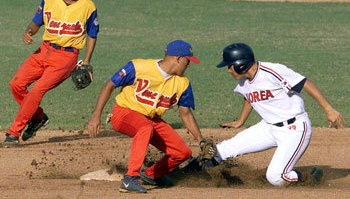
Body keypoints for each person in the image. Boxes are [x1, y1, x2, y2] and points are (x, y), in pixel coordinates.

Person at [192, 43, 346, 186]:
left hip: (294, 129)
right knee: (220, 150)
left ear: (241, 65)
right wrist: (241, 120)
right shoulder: (244, 81)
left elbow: (304, 82)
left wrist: (328, 108)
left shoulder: (272, 71)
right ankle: (186, 173)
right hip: (267, 127)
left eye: (230, 66)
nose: (228, 70)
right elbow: (249, 97)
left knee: (276, 177)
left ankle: (310, 178)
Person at [88, 40, 205, 193]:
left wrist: (200, 140)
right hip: (124, 112)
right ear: (178, 58)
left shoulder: (182, 83)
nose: (189, 65)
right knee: (145, 127)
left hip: (152, 120)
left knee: (182, 153)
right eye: (187, 61)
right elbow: (110, 85)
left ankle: (151, 175)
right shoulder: (138, 67)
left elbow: (186, 113)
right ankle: (130, 179)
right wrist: (96, 115)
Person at [2, 0, 99, 147]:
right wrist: (28, 32)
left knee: (37, 91)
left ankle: (14, 132)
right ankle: (38, 117)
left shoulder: (88, 6)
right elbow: (36, 22)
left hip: (66, 57)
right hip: (43, 50)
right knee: (16, 84)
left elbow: (92, 34)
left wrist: (86, 61)